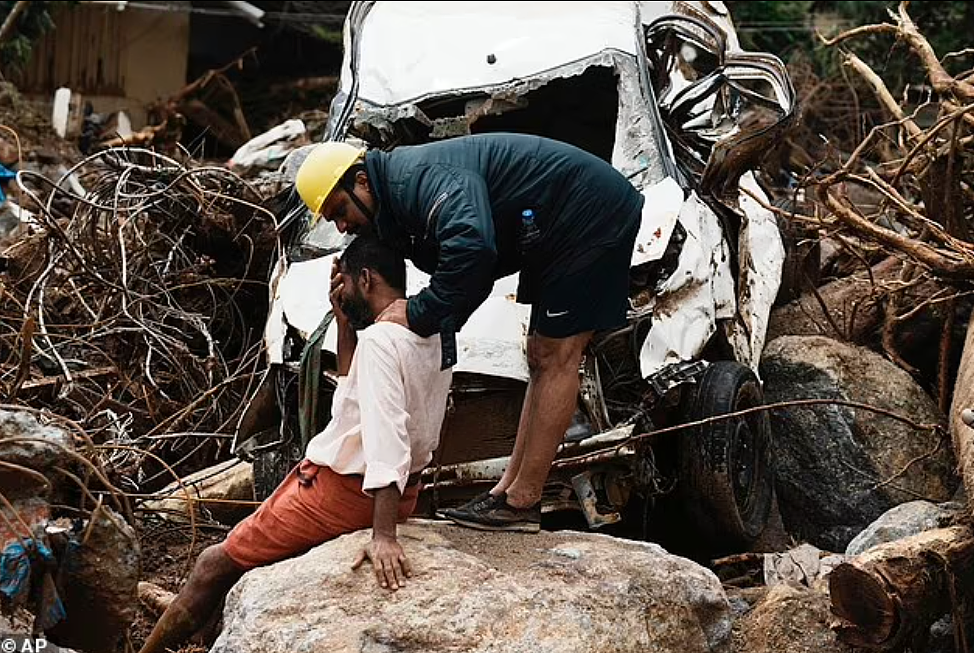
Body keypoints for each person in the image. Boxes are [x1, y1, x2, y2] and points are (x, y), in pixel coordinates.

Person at [294, 132, 643, 532]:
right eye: (332, 221)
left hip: (587, 212)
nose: (342, 226)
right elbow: (465, 274)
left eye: (340, 210)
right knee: (538, 355)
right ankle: (505, 493)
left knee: (557, 354)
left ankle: (522, 502)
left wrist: (422, 312)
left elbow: (472, 249)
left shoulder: (416, 180)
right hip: (549, 226)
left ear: (362, 181)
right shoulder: (394, 203)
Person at [138, 235, 453, 653]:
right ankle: (200, 633)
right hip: (393, 490)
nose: (341, 293)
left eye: (346, 286)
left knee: (213, 562)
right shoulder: (430, 332)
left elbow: (387, 439)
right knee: (239, 558)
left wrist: (384, 534)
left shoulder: (379, 342)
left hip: (342, 494)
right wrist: (343, 325)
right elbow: (354, 399)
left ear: (366, 278)